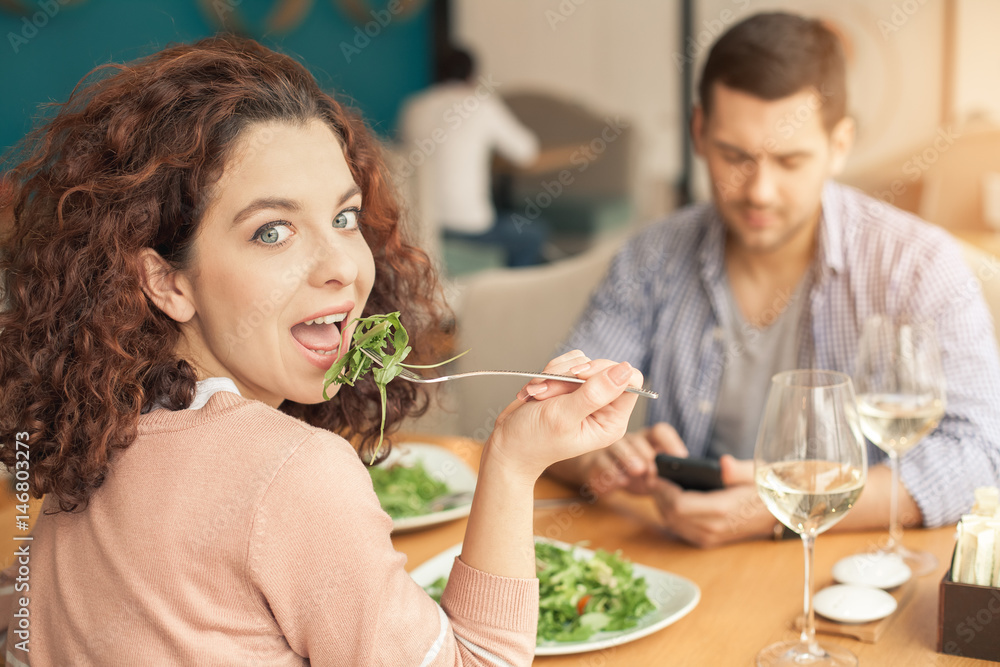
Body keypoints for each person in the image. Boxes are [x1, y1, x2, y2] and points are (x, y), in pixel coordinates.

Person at [0, 36, 643, 665]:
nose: (341, 265)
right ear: (166, 280)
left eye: (344, 217)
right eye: (272, 232)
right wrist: (512, 462)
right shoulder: (295, 475)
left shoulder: (82, 438)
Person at [546, 12, 1000, 548]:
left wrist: (779, 507)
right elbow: (554, 418)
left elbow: (979, 454)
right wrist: (604, 457)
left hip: (846, 565)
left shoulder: (917, 265)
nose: (759, 191)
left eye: (789, 161)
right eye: (735, 156)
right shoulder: (652, 258)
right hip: (677, 558)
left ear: (840, 144)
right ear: (698, 132)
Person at [398, 46, 549, 267]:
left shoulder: (413, 107)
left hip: (423, 223)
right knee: (535, 234)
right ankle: (511, 291)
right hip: (469, 226)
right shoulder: (481, 105)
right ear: (472, 76)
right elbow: (527, 153)